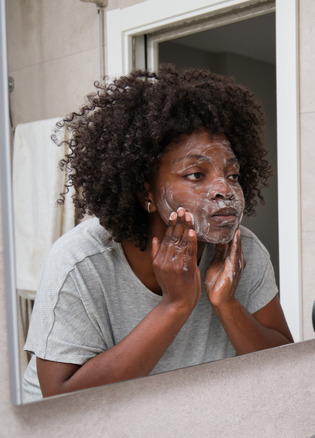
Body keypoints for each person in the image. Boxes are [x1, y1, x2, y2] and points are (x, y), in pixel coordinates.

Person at [22, 66, 293, 402]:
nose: (225, 189)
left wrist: (227, 303)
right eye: (196, 175)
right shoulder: (79, 261)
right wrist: (174, 305)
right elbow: (60, 398)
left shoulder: (242, 251)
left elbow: (286, 364)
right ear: (145, 191)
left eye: (233, 174)